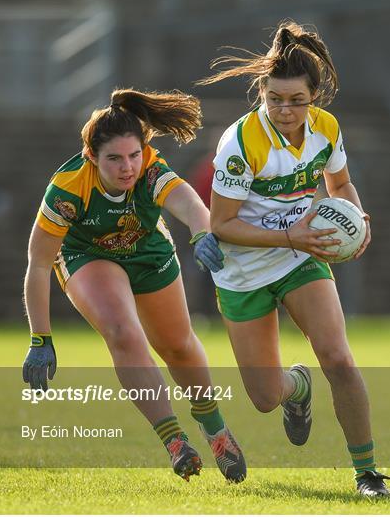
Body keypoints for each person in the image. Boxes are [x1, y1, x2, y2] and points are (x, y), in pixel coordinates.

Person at [198, 20, 390, 497]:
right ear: (261, 93)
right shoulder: (241, 144)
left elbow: (339, 184)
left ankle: (367, 474)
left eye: (296, 100)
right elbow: (221, 224)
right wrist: (291, 237)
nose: (285, 110)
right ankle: (297, 389)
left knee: (338, 358)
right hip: (242, 268)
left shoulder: (326, 129)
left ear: (315, 98)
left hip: (300, 258)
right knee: (265, 398)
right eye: (275, 99)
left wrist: (356, 218)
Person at [22, 88, 246, 483]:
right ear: (92, 157)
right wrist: (40, 338)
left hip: (146, 250)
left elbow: (190, 204)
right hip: (88, 256)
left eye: (133, 155)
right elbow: (39, 265)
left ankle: (215, 430)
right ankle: (175, 442)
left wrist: (201, 233)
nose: (127, 167)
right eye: (114, 159)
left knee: (178, 345)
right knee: (124, 333)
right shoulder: (68, 189)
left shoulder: (150, 169)